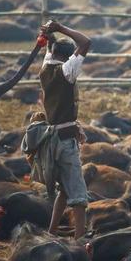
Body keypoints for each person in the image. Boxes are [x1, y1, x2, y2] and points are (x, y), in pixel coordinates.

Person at [39, 21, 91, 239]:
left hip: (51, 138)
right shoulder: (66, 72)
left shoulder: (46, 68)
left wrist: (48, 35)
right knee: (79, 196)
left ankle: (51, 231)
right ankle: (80, 242)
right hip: (64, 140)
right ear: (69, 57)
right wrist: (60, 28)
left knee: (64, 188)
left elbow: (51, 50)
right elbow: (86, 42)